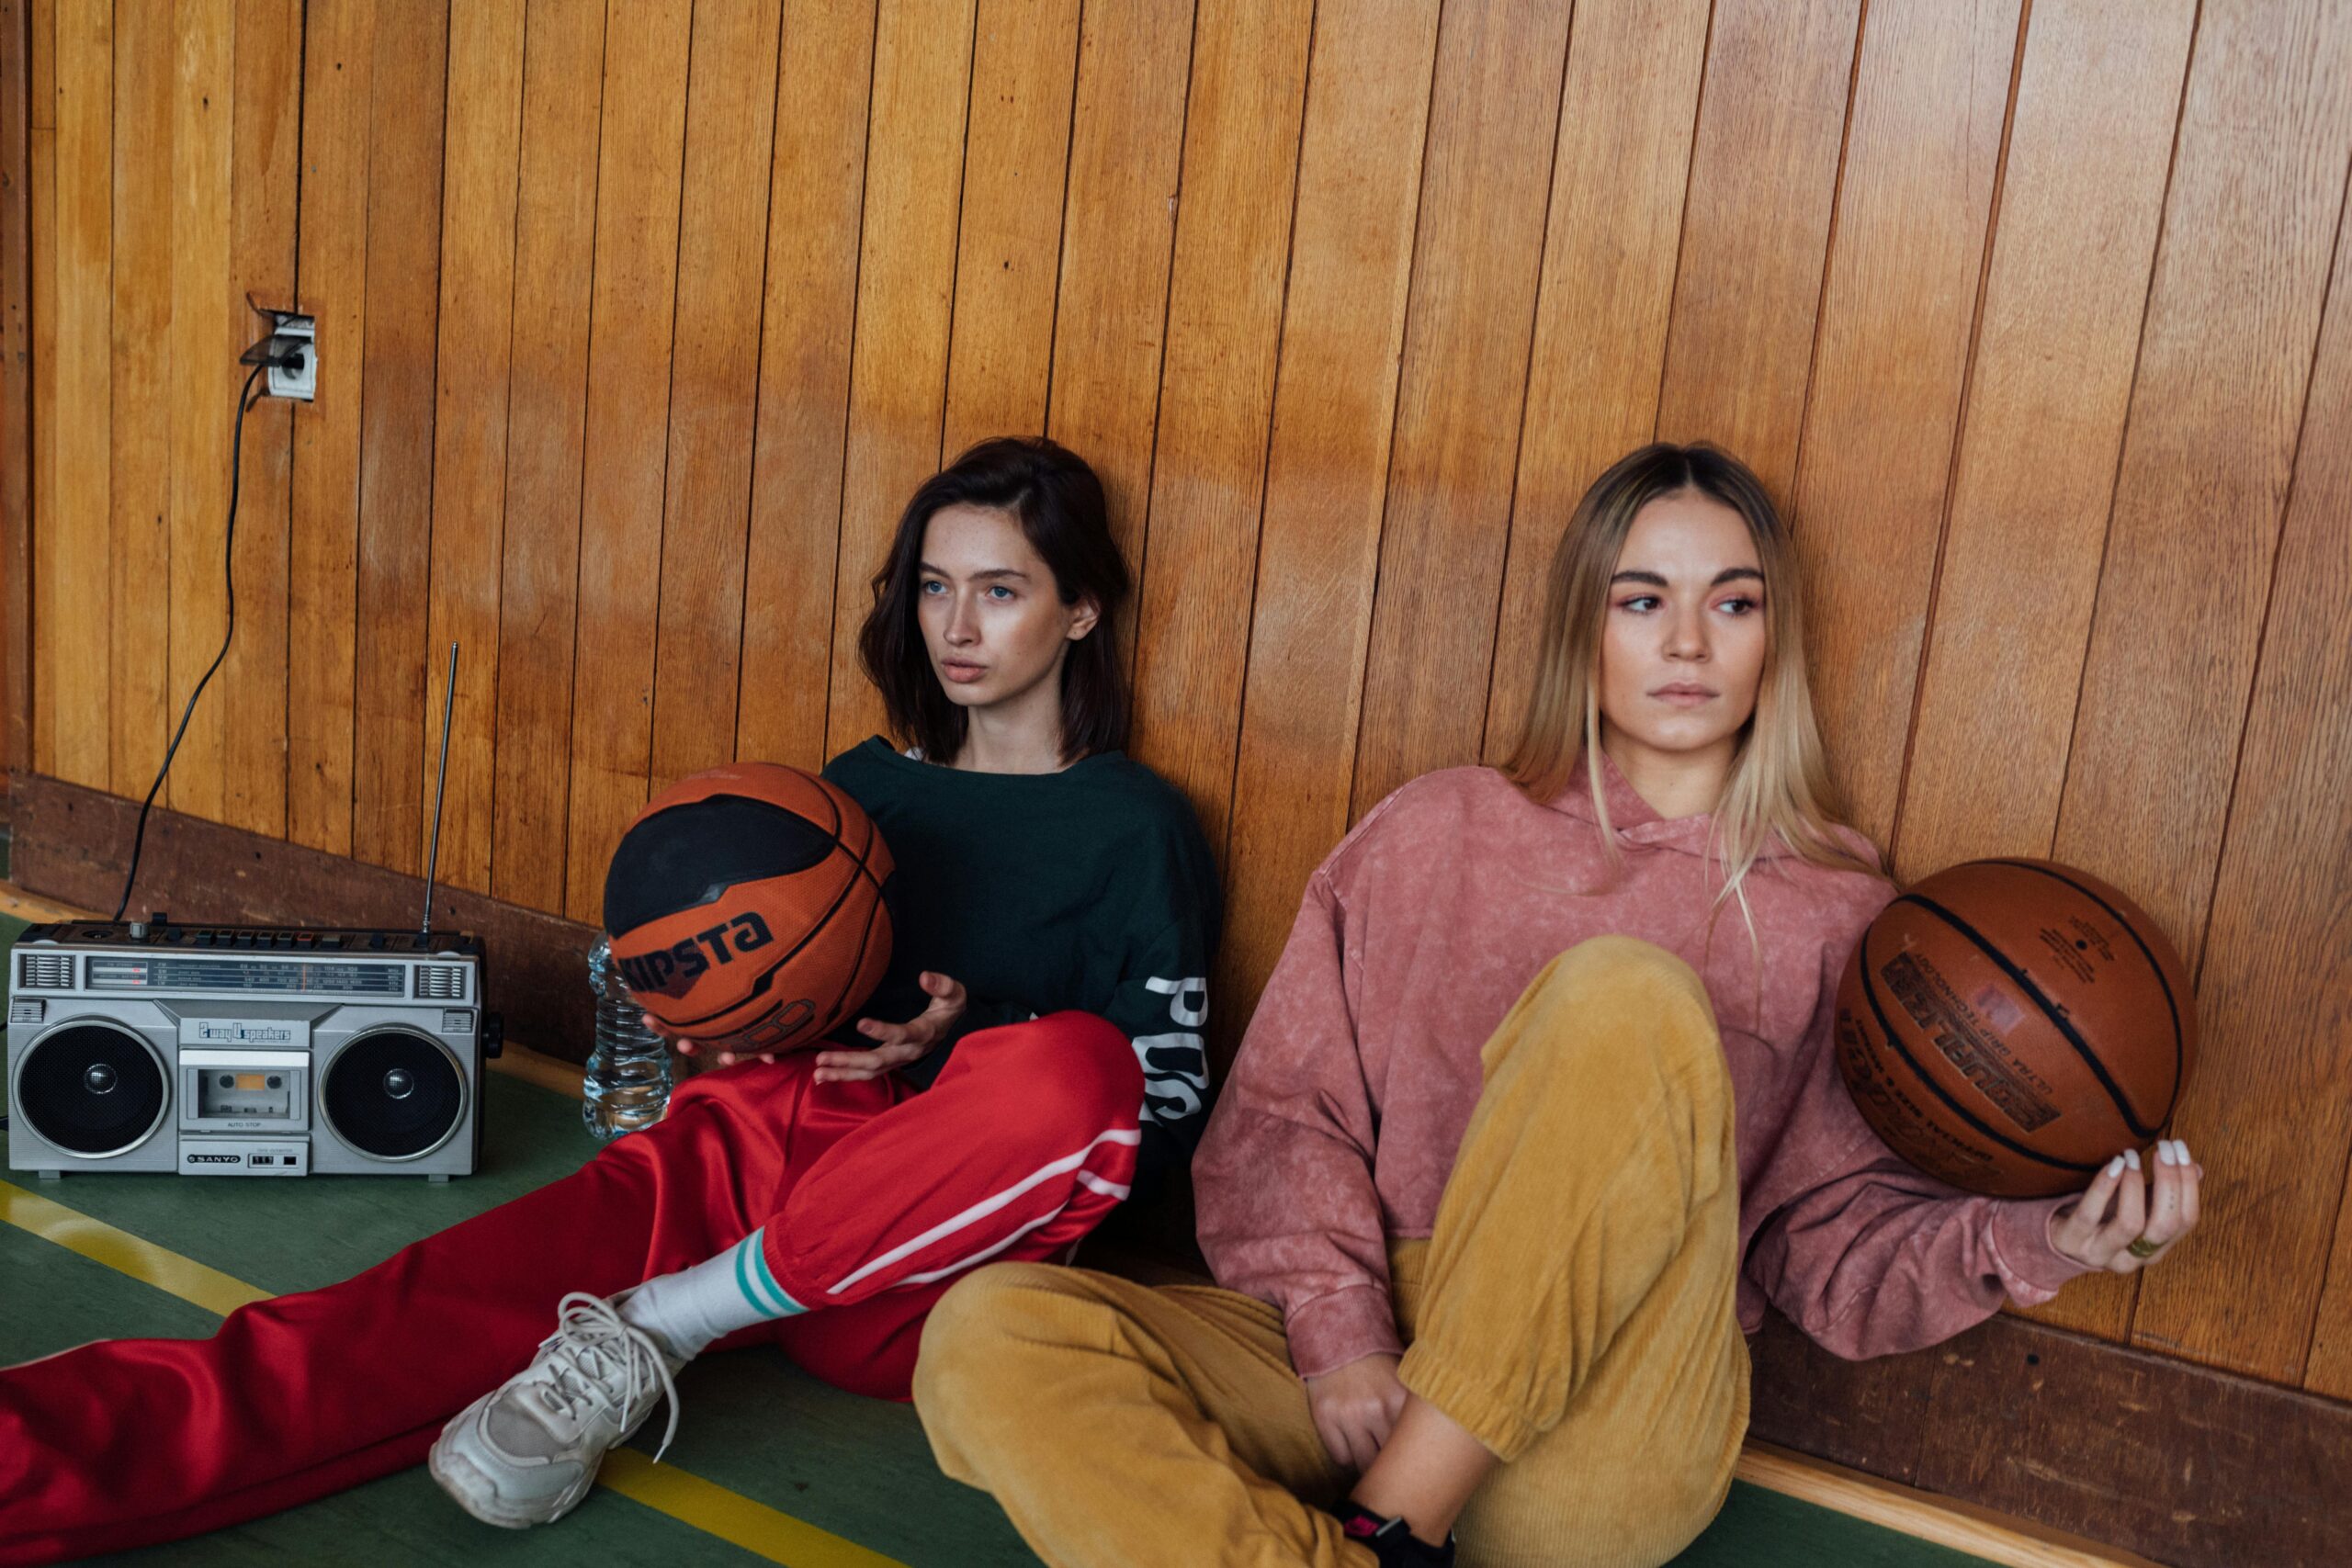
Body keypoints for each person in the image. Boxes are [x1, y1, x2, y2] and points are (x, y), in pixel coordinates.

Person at [912, 442, 2207, 1568]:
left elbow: (1828, 1259)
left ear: (1776, 638)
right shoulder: (1435, 830)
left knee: (1624, 994)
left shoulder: (1842, 920)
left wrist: (2051, 1240)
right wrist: (1344, 1338)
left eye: (1732, 603)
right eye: (1643, 601)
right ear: (1583, 627)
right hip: (1359, 1373)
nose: (1688, 644)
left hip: (1603, 1426)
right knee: (985, 1335)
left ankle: (1396, 1526)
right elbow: (1283, 1123)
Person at [0, 437, 1219, 1563]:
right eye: (936, 587)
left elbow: (1153, 1115)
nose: (956, 625)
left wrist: (966, 1040)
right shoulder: (851, 795)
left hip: (916, 1265)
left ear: (1081, 610)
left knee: (1078, 1067)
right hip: (760, 1150)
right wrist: (716, 1021)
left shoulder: (1136, 829)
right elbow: (760, 1005)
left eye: (1001, 590)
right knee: (375, 1327)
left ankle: (674, 1319)